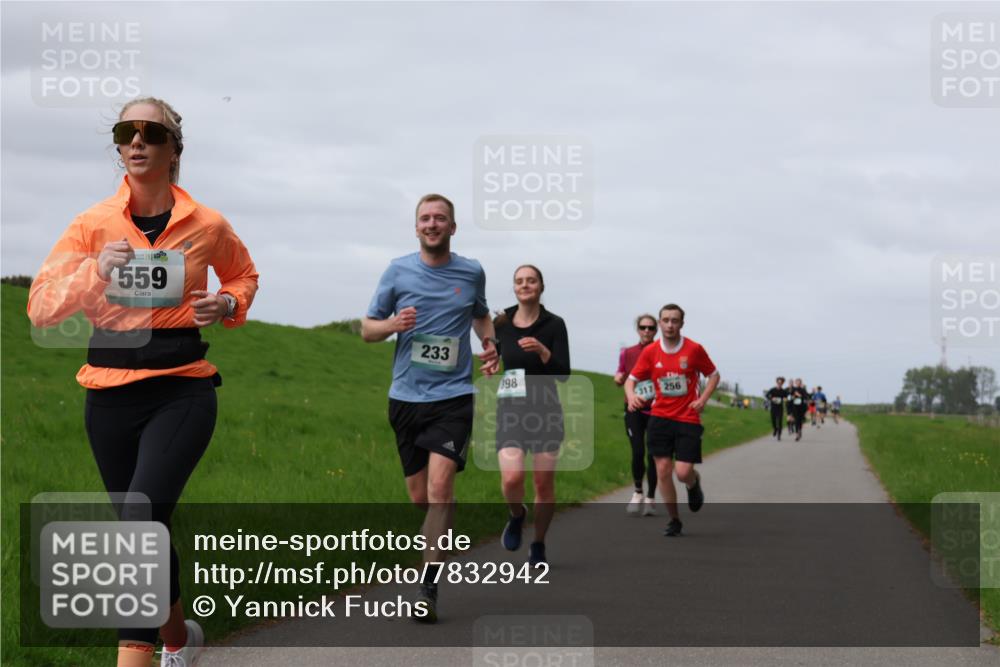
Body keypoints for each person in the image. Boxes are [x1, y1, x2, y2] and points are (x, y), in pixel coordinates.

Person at [27, 97, 259, 667]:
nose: (136, 141)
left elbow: (243, 274)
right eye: (126, 131)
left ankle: (137, 655)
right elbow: (41, 307)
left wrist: (228, 302)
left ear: (173, 148)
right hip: (108, 396)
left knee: (136, 525)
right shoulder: (91, 225)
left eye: (151, 132)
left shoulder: (207, 224)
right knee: (145, 525)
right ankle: (179, 639)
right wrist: (94, 270)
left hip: (181, 388)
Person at [361, 193, 499, 623]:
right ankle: (443, 520)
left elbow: (480, 314)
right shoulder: (397, 271)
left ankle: (428, 589)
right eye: (425, 218)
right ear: (416, 227)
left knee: (440, 491)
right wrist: (392, 324)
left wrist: (490, 343)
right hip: (406, 398)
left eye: (440, 218)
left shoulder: (471, 271)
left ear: (452, 227)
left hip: (453, 398)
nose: (433, 224)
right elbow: (367, 329)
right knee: (421, 497)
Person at [494, 265, 570, 566]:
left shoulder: (554, 325)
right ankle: (517, 514)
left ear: (541, 286)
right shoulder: (501, 322)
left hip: (545, 412)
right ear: (514, 287)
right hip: (511, 411)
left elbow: (563, 374)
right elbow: (495, 356)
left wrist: (542, 351)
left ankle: (538, 543)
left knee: (542, 484)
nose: (524, 285)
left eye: (531, 281)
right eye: (519, 281)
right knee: (512, 478)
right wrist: (490, 364)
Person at [624, 304, 720, 537]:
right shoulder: (651, 352)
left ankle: (693, 483)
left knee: (683, 472)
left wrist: (703, 399)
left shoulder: (694, 349)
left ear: (681, 324)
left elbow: (714, 375)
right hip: (660, 418)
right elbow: (631, 380)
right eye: (665, 320)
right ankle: (674, 519)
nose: (669, 325)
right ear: (660, 323)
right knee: (663, 469)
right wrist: (632, 396)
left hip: (688, 417)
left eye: (674, 320)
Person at [613, 314, 658, 516]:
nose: (647, 331)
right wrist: (618, 378)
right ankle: (638, 492)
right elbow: (620, 373)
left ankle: (651, 498)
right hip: (633, 409)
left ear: (656, 330)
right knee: (638, 451)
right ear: (638, 329)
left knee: (653, 454)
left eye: (651, 327)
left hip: (657, 409)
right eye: (643, 327)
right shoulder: (628, 352)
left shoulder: (661, 351)